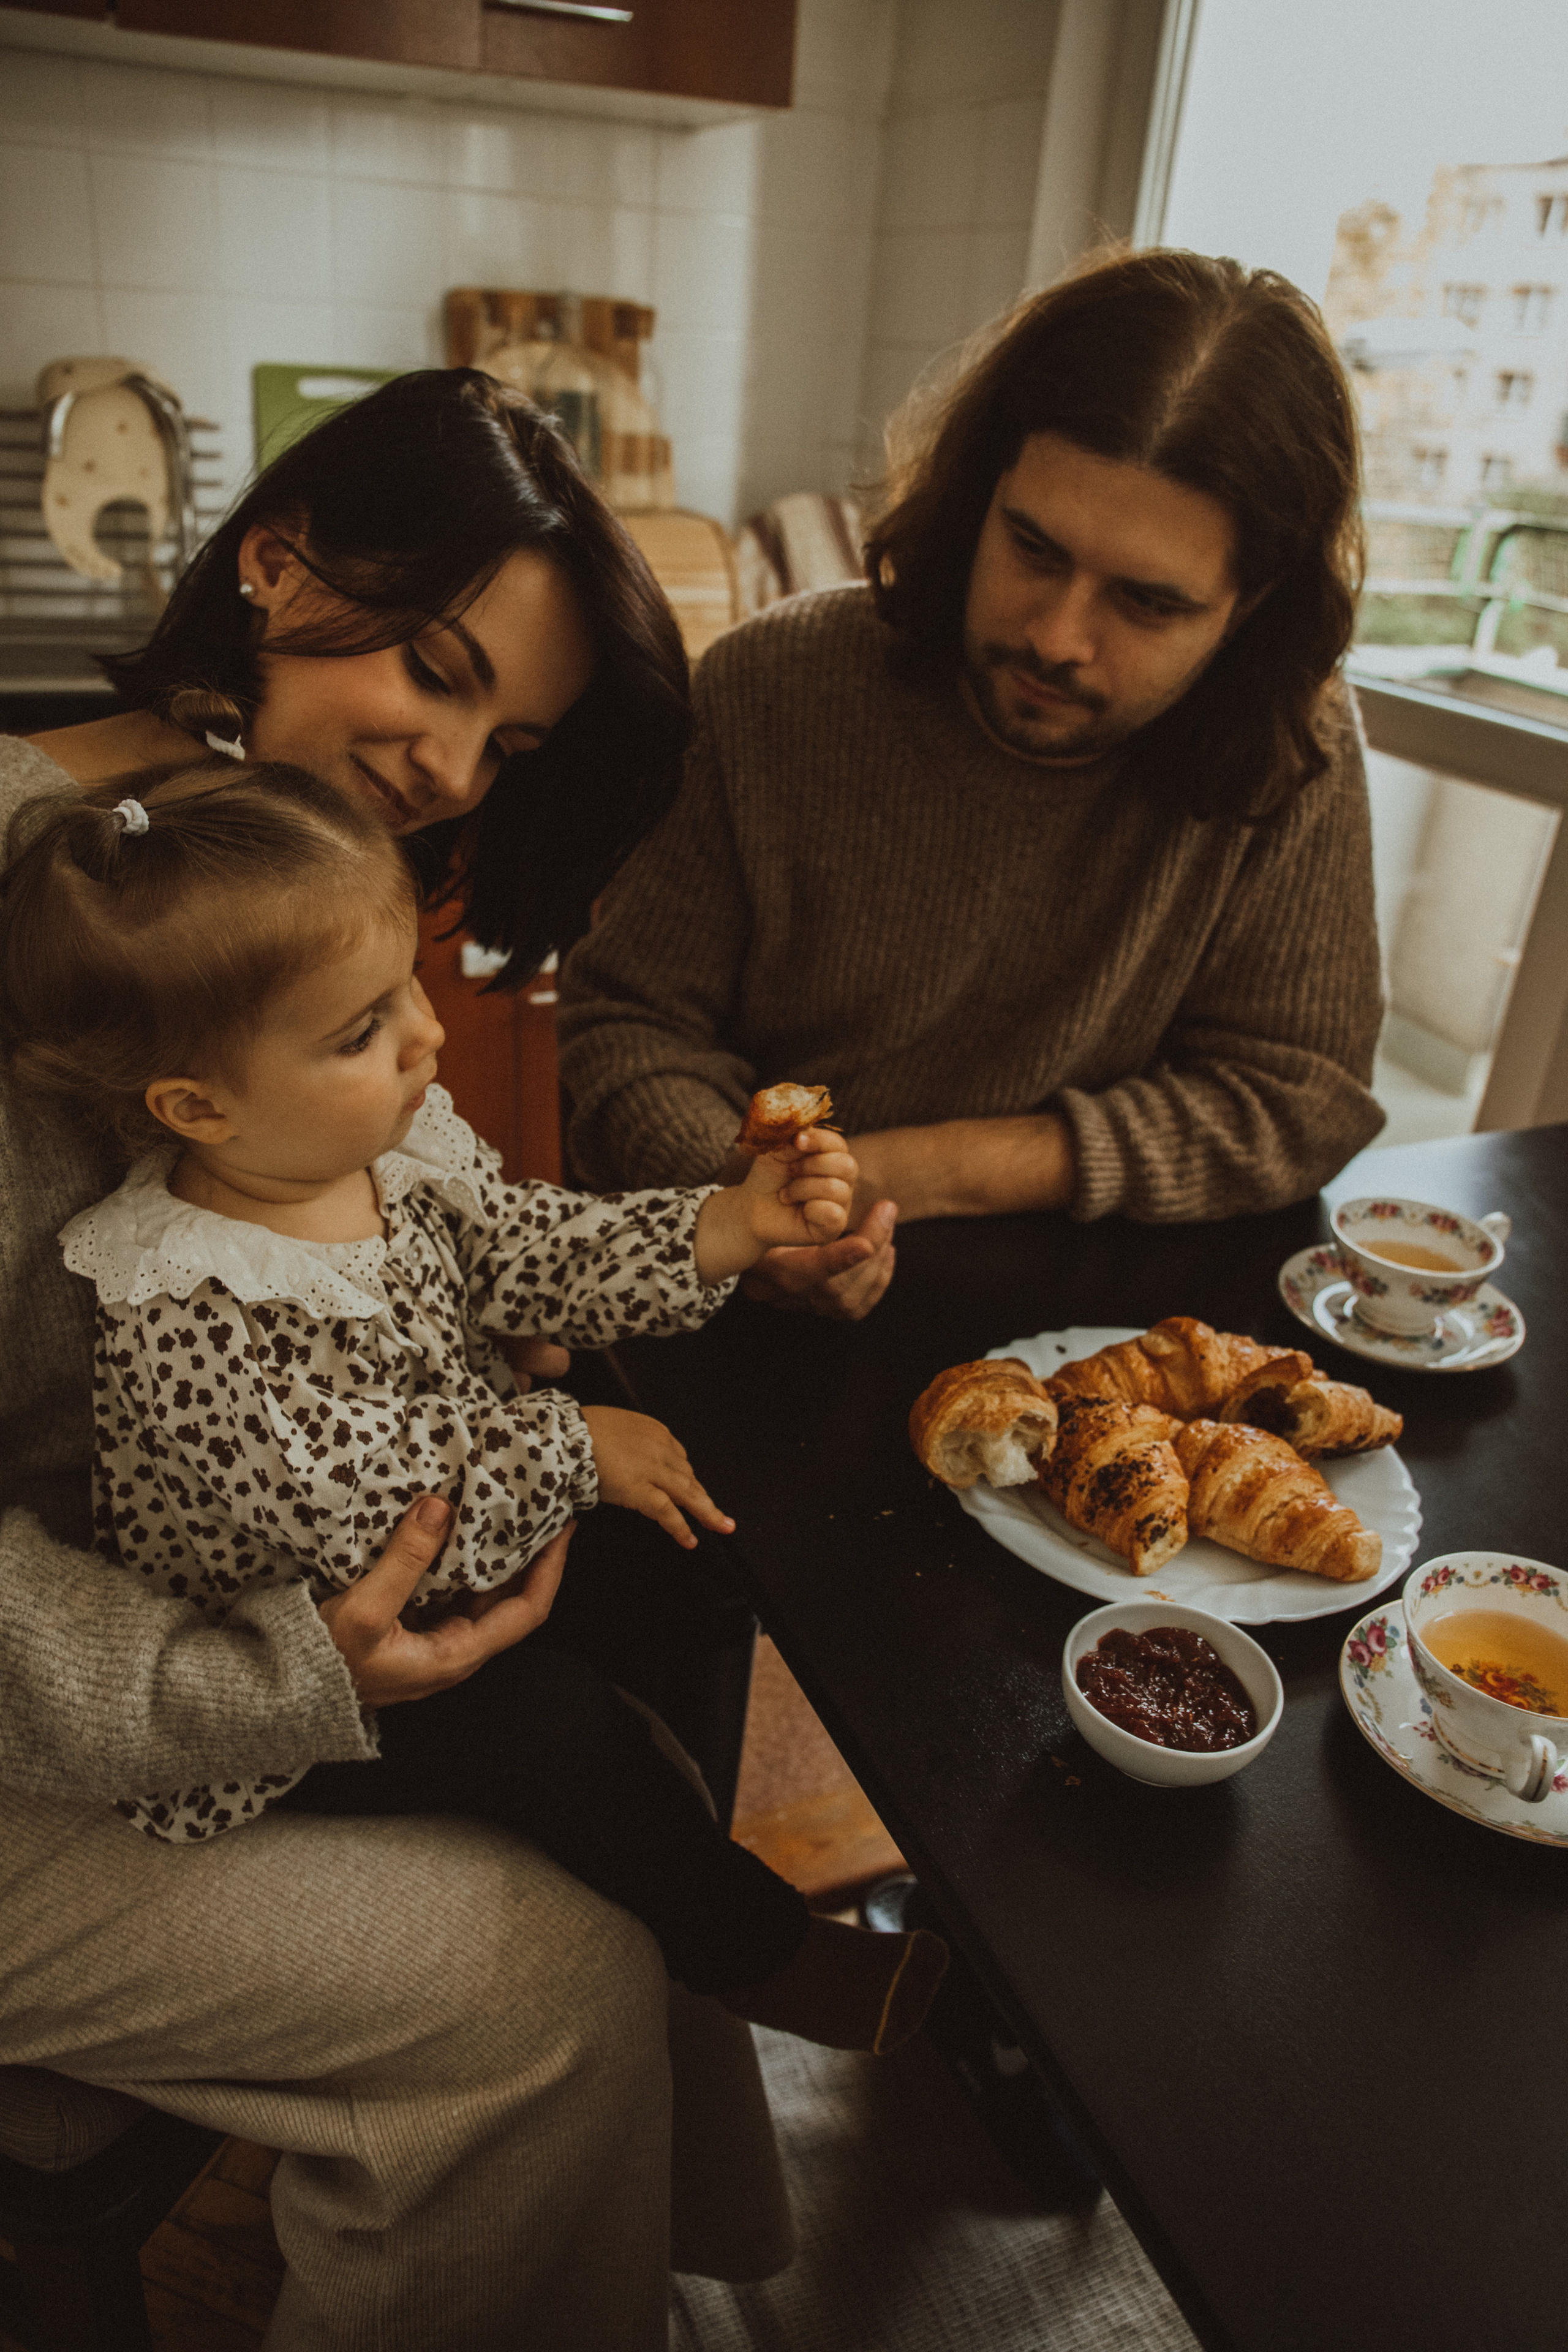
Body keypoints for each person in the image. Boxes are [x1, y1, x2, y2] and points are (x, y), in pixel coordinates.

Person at [0, 369, 794, 2350]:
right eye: (432, 671)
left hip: (195, 1623)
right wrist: (231, 1682)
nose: (449, 765)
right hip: (86, 1693)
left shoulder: (278, 877)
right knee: (540, 1982)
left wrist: (682, 1250)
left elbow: (450, 1193)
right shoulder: (69, 908)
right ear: (271, 563)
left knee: (660, 1652)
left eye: (502, 736)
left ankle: (615, 2264)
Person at [1, 757, 946, 2053]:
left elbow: (529, 1244)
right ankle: (758, 1954)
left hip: (459, 1547)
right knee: (545, 1730)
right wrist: (566, 1448)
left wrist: (727, 1226)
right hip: (297, 1679)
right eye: (360, 1032)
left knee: (683, 1576)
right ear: (196, 1106)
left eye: (404, 987)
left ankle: (677, 1845)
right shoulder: (184, 1297)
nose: (425, 1035)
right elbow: (353, 1513)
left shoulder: (380, 1154)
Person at [557, 248, 1387, 1321]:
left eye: (1147, 603)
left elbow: (1300, 1100)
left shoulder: (1292, 746)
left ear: (1252, 606)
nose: (1057, 637)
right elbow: (629, 1028)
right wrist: (746, 1209)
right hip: (747, 1304)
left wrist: (928, 1169)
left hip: (1103, 1317)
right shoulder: (772, 687)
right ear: (980, 488)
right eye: (1033, 548)